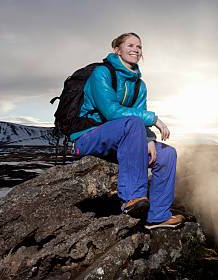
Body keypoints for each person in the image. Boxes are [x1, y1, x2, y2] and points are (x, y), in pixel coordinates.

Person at [69, 32, 184, 229]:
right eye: (130, 45)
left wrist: (148, 139)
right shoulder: (102, 73)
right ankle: (132, 198)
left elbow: (139, 116)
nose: (136, 50)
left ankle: (158, 216)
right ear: (117, 50)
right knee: (132, 123)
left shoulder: (140, 85)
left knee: (167, 154)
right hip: (88, 136)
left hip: (121, 138)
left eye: (139, 47)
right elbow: (112, 111)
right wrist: (154, 119)